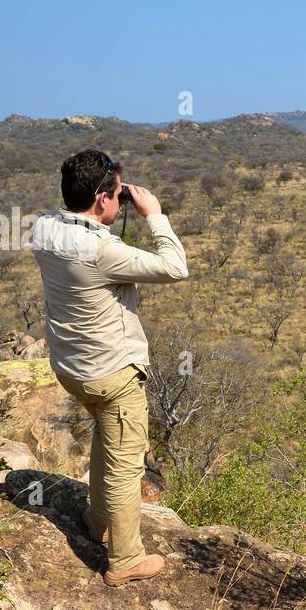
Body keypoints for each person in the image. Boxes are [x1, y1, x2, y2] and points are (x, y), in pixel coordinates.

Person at [29, 150, 188, 586]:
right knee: (125, 465)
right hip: (112, 374)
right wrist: (154, 216)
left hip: (71, 368)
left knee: (107, 435)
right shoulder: (102, 250)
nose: (122, 202)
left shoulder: (43, 229)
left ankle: (97, 519)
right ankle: (125, 561)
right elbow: (176, 268)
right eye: (118, 194)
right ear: (102, 200)